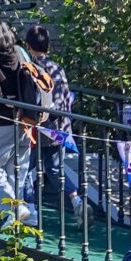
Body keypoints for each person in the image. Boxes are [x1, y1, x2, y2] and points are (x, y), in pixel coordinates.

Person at [0, 17, 40, 220]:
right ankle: (24, 214)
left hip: (5, 120)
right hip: (27, 119)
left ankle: (13, 209)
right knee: (17, 168)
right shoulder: (20, 52)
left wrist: (2, 97)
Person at [25, 22, 81, 226]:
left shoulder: (31, 69)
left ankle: (30, 209)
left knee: (23, 167)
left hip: (37, 126)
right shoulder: (58, 68)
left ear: (28, 46)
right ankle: (77, 202)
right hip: (60, 128)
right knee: (54, 168)